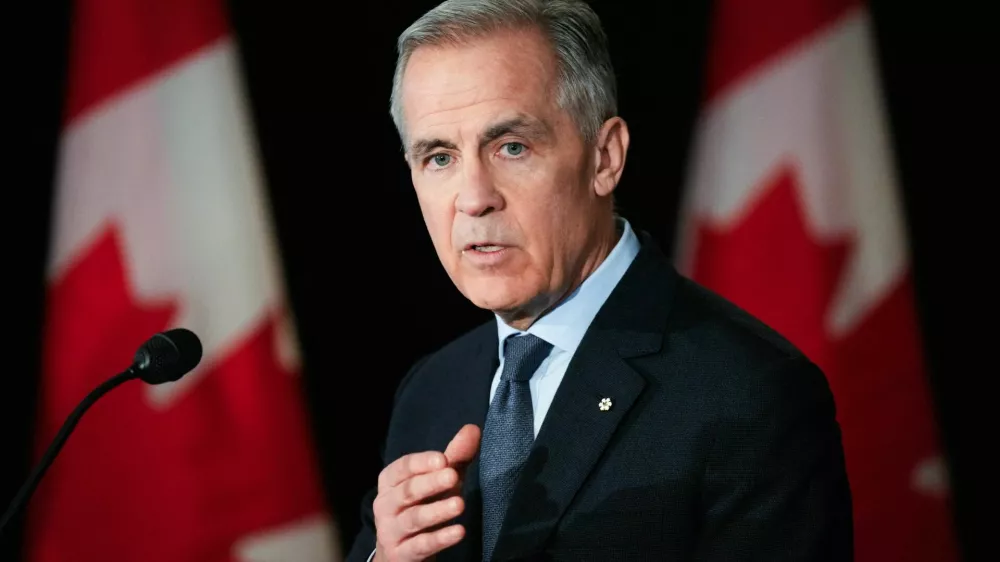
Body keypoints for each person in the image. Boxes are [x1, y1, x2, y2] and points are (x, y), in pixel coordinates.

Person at [346, 0, 853, 560]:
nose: (474, 199)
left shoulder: (750, 396)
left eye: (511, 147)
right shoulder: (432, 389)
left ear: (604, 158)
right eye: (439, 158)